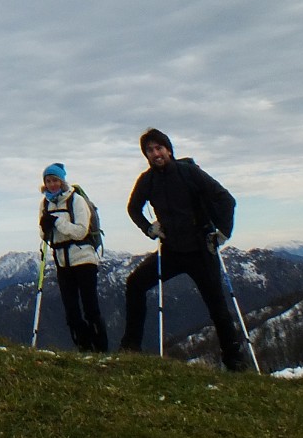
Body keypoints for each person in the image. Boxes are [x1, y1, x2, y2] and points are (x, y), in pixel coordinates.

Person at [119, 128, 247, 370]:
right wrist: (149, 229)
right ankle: (130, 346)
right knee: (135, 284)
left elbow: (226, 199)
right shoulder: (147, 180)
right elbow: (133, 208)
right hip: (172, 251)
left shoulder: (189, 173)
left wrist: (222, 233)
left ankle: (234, 360)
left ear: (169, 150)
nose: (155, 154)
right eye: (150, 150)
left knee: (217, 306)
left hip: (200, 248)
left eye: (159, 148)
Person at [38, 162, 109, 352]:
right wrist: (46, 228)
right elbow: (44, 236)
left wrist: (57, 222)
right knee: (71, 312)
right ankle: (84, 348)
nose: (52, 184)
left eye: (55, 180)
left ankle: (101, 350)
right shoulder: (45, 203)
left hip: (84, 259)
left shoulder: (76, 200)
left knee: (90, 308)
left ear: (62, 181)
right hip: (62, 261)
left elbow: (80, 231)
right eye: (48, 181)